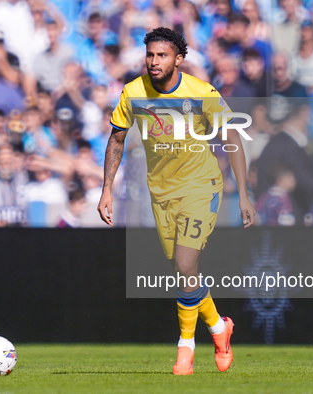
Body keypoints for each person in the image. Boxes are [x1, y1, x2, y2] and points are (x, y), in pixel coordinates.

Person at [97, 27, 256, 375]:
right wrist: (107, 188)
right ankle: (219, 328)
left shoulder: (201, 93)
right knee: (186, 273)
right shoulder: (133, 92)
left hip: (201, 188)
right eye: (150, 55)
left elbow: (232, 136)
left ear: (178, 59)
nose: (154, 62)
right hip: (161, 193)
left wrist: (243, 193)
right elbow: (117, 138)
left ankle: (185, 349)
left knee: (185, 265)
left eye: (162, 55)